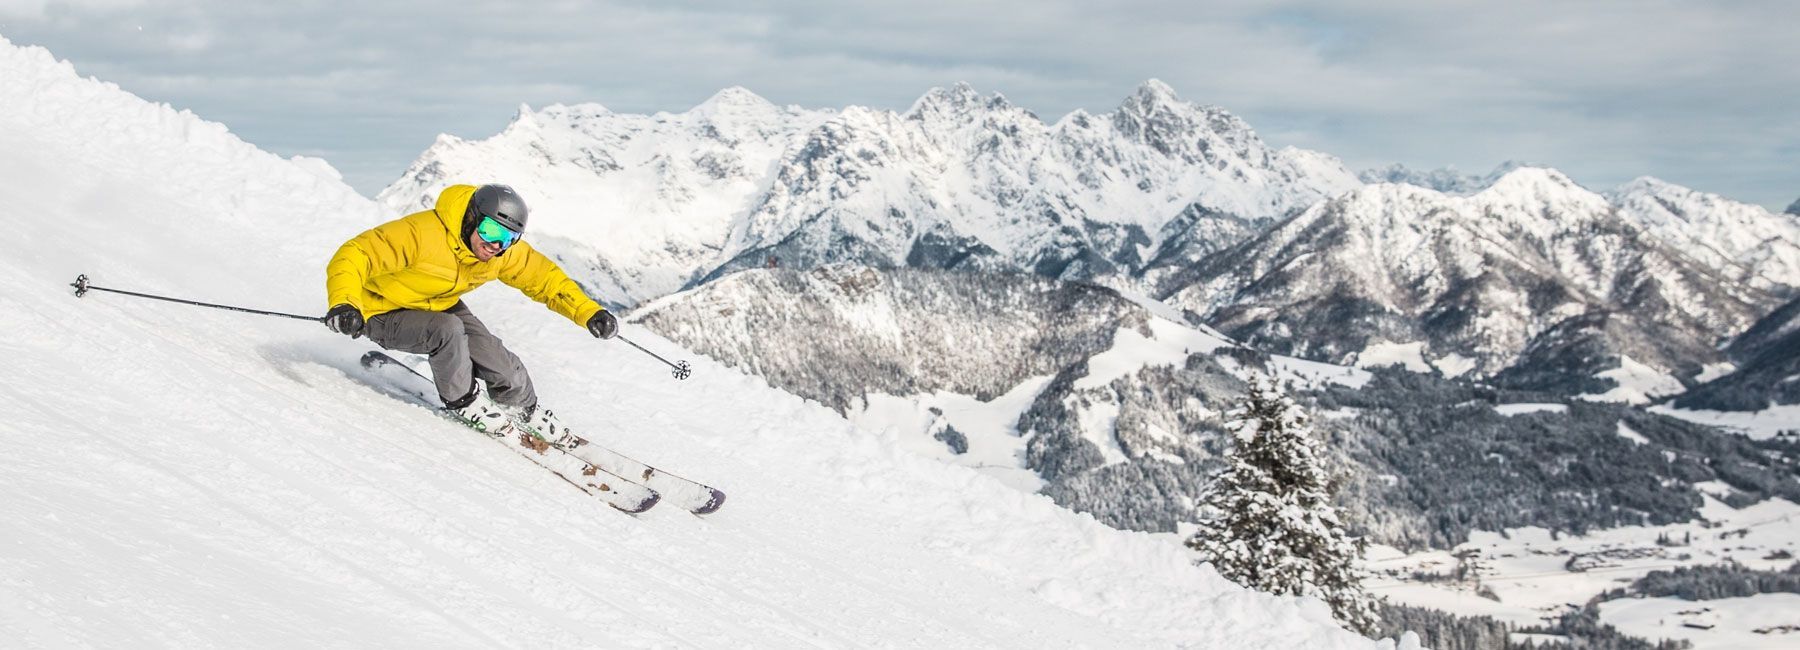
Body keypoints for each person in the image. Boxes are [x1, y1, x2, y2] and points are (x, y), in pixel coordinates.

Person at [322, 183, 618, 445]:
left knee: (496, 359)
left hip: (437, 303)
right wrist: (344, 304)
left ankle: (523, 410)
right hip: (379, 309)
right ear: (472, 218)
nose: (495, 244)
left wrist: (588, 312)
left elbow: (545, 280)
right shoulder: (422, 234)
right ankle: (464, 401)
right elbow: (354, 254)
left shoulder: (498, 253)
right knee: (447, 330)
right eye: (490, 231)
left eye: (508, 238)